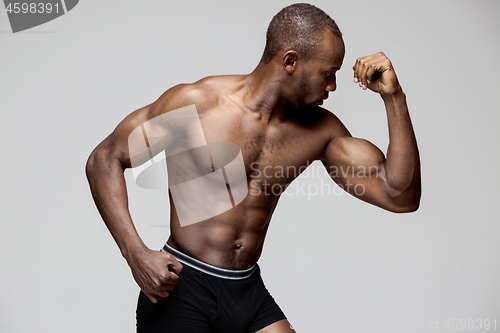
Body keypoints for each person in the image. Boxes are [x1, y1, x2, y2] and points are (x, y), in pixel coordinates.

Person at [86, 3, 421, 332]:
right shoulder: (198, 104)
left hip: (247, 292)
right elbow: (105, 158)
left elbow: (399, 195)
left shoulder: (320, 131)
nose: (332, 87)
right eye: (327, 74)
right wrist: (136, 254)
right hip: (182, 287)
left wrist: (395, 98)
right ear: (290, 61)